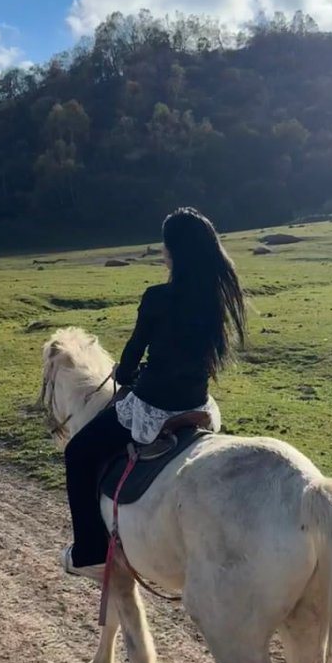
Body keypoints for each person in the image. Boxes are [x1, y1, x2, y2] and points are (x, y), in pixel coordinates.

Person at [61, 207, 247, 577]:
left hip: (153, 407)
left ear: (172, 250)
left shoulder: (157, 297)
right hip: (196, 404)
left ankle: (89, 550)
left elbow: (133, 353)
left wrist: (125, 372)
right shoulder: (214, 298)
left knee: (77, 452)